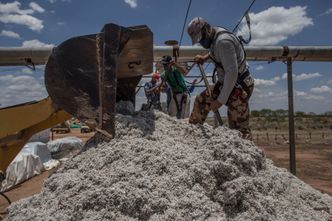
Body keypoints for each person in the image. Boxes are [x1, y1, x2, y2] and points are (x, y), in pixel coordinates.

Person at [187, 17, 255, 140]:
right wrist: (205, 58)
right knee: (201, 101)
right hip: (227, 83)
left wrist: (219, 101)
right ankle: (193, 137)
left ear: (206, 29)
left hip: (239, 86)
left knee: (238, 130)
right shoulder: (215, 36)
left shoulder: (223, 41)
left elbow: (232, 72)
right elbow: (217, 51)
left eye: (201, 39)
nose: (201, 42)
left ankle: (244, 155)